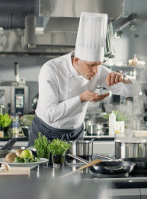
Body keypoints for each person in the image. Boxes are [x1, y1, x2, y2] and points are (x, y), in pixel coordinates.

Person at [28, 12, 140, 146]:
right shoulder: (51, 69)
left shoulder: (98, 70)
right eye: (91, 65)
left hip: (75, 134)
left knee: (77, 168)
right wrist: (81, 98)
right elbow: (49, 115)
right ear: (76, 60)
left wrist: (123, 78)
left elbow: (133, 91)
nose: (96, 70)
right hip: (46, 132)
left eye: (98, 64)